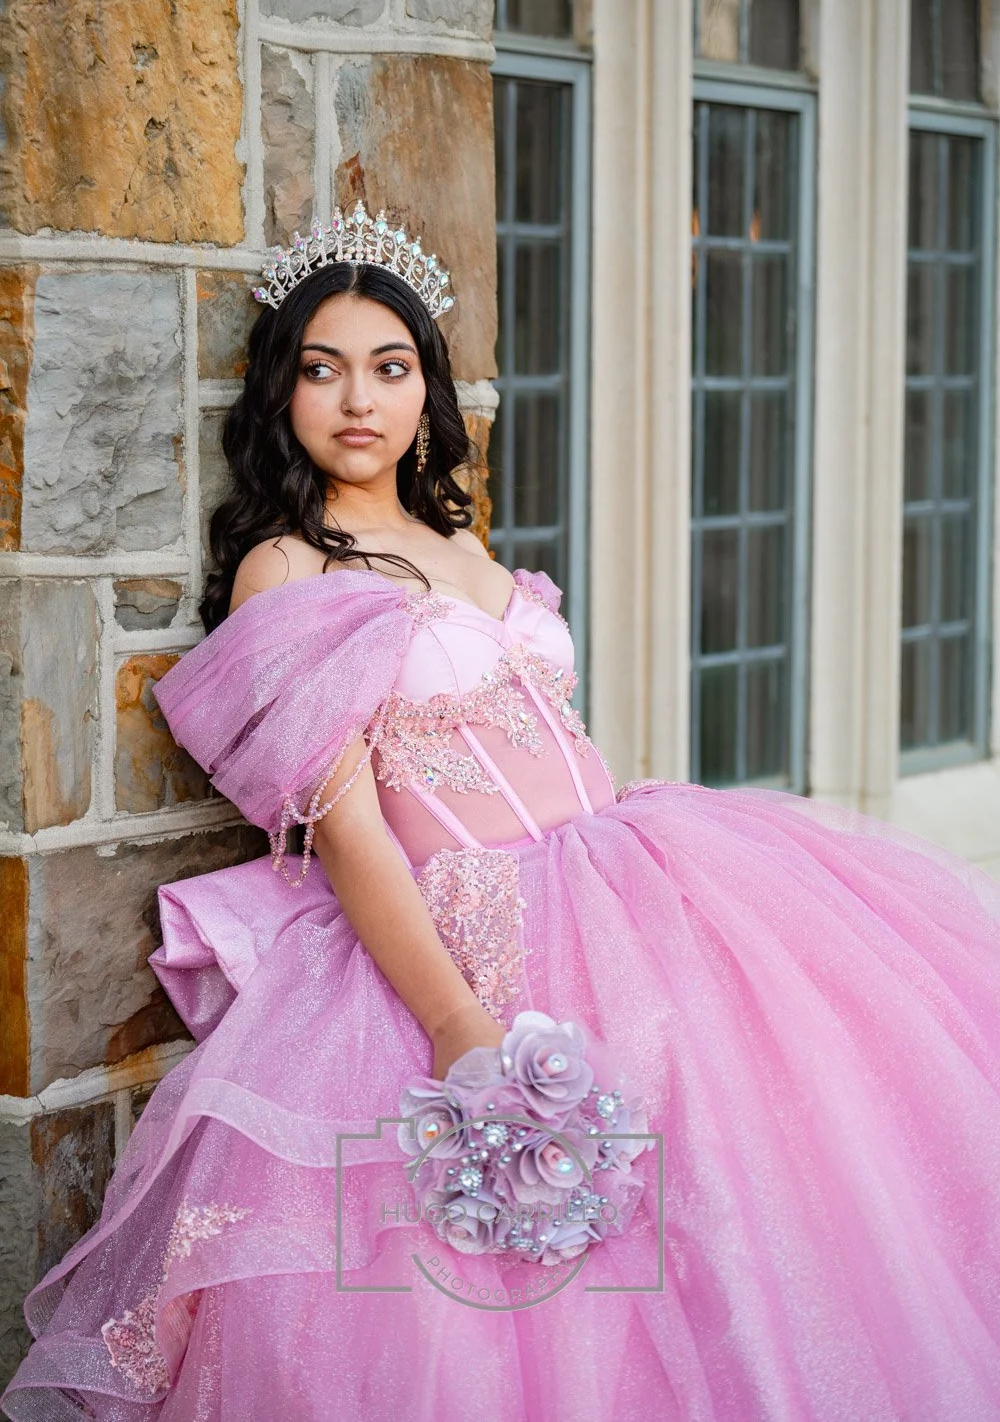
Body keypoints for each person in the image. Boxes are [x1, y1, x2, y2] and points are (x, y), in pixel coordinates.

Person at [4, 202, 1000, 1422]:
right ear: (280, 391)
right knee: (530, 1291)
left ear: (426, 386)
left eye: (390, 367)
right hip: (477, 932)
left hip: (634, 883)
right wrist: (453, 1019)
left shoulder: (459, 539)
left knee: (750, 1200)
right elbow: (348, 829)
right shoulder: (287, 566)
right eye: (321, 369)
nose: (358, 400)